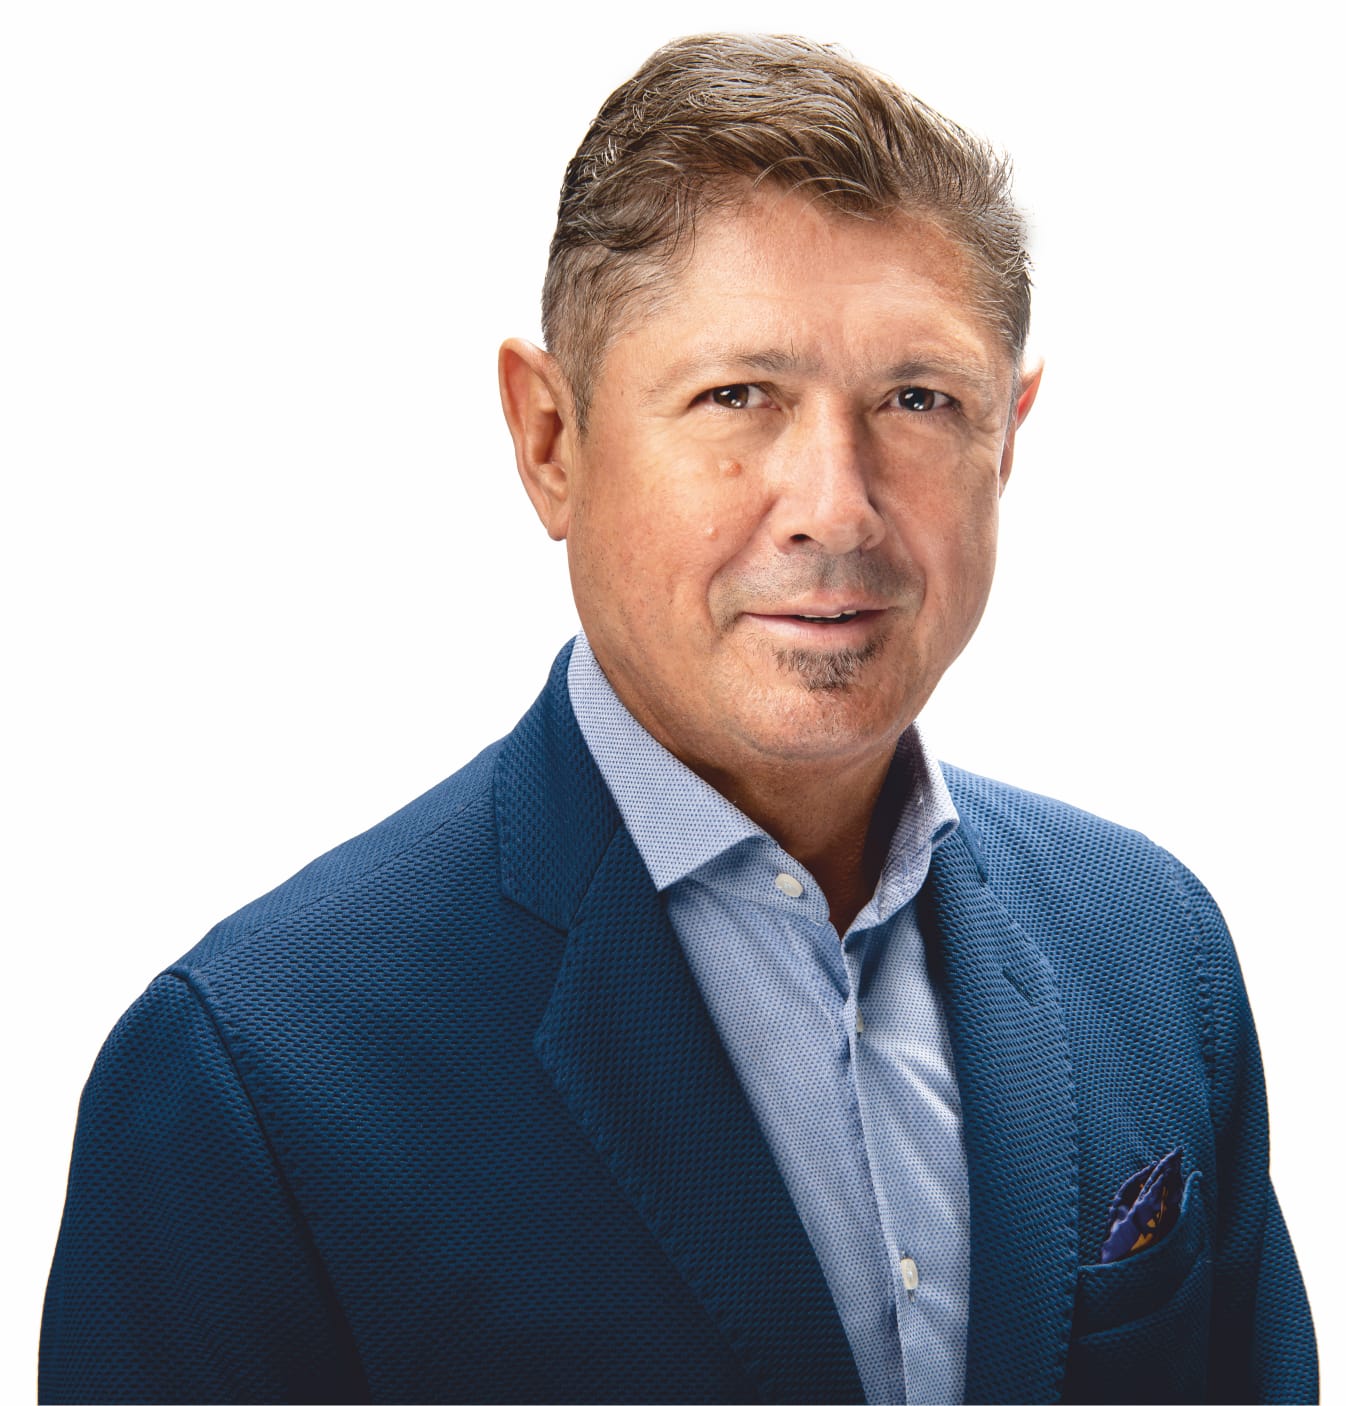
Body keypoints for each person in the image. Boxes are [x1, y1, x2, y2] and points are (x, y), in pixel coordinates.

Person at [39, 32, 1315, 1405]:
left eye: (917, 399)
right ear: (549, 439)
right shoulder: (252, 1076)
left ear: (1008, 434)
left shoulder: (1151, 948)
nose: (834, 504)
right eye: (737, 397)